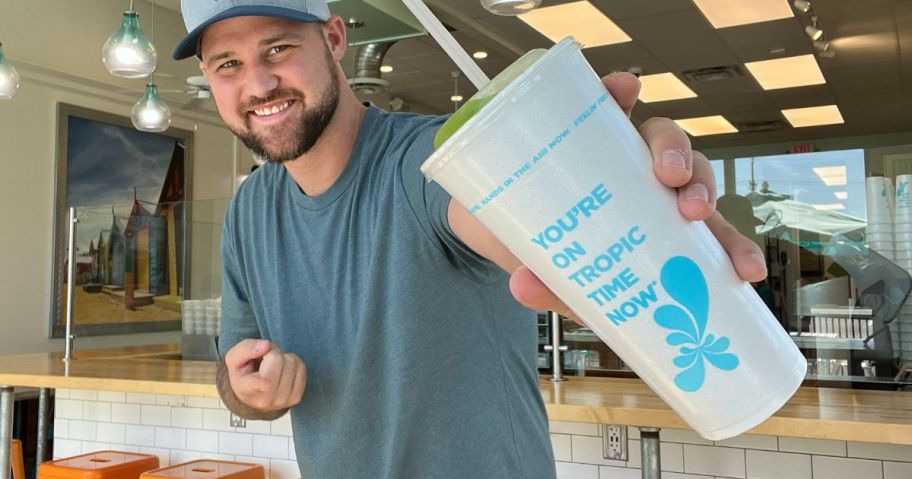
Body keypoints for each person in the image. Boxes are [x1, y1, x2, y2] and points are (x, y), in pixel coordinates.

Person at [172, 1, 767, 477]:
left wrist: (628, 199)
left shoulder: (438, 161)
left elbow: (510, 225)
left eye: (278, 49)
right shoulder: (250, 210)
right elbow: (235, 373)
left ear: (333, 38)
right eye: (228, 65)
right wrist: (250, 390)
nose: (258, 84)